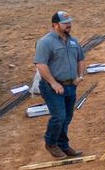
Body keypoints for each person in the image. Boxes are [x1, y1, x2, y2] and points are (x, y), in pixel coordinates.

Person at [33, 11, 87, 159]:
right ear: (55, 25)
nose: (69, 25)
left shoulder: (73, 41)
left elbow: (80, 59)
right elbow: (41, 64)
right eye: (65, 23)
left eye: (69, 22)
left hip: (70, 85)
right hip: (51, 87)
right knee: (59, 116)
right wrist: (53, 83)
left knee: (67, 117)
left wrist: (80, 76)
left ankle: (63, 145)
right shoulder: (45, 42)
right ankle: (51, 143)